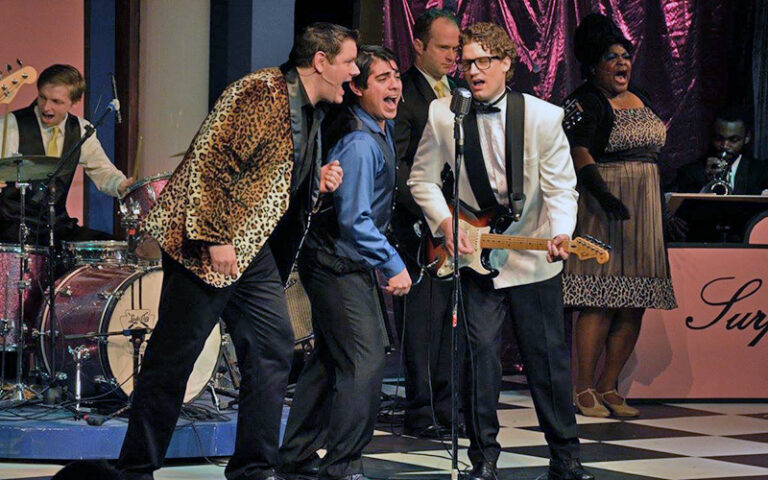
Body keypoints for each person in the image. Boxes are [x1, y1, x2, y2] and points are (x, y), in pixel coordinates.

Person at [116, 23, 358, 480]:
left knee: (273, 347)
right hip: (205, 244)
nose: (355, 71)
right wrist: (215, 236)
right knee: (174, 357)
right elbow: (211, 162)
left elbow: (267, 173)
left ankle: (252, 468)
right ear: (321, 61)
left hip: (252, 249)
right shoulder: (259, 91)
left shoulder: (309, 108)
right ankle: (135, 470)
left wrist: (313, 178)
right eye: (348, 61)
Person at [409, 22, 592, 480]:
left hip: (532, 256)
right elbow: (422, 181)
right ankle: (483, 459)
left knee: (546, 360)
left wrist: (562, 233)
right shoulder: (442, 114)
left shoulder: (543, 117)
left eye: (483, 61)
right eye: (466, 61)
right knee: (479, 359)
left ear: (507, 64)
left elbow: (562, 189)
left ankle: (566, 458)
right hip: (475, 257)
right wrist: (447, 222)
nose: (473, 70)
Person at [279, 45, 410, 480]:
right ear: (356, 87)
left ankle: (297, 454)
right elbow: (355, 220)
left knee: (332, 360)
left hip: (344, 263)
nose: (394, 85)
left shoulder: (378, 130)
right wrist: (392, 263)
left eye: (396, 76)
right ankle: (343, 464)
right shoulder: (358, 142)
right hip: (336, 264)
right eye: (381, 78)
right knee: (365, 361)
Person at [562, 13, 677, 420]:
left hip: (643, 210)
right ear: (593, 65)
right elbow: (578, 152)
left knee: (635, 301)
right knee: (598, 300)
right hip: (602, 207)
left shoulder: (641, 95)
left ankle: (610, 386)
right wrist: (603, 194)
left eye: (625, 55)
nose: (621, 62)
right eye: (611, 57)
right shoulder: (583, 100)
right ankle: (583, 389)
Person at [392, 7, 463, 439]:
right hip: (418, 228)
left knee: (450, 321)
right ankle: (421, 411)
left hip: (461, 223)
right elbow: (398, 165)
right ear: (418, 45)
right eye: (443, 47)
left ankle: (447, 405)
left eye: (457, 48)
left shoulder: (459, 92)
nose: (453, 57)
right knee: (422, 323)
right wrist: (431, 216)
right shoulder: (405, 93)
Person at [0, 64, 132, 245]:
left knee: (115, 246)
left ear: (75, 102)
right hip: (10, 226)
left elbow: (104, 172)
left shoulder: (82, 129)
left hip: (56, 226)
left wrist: (122, 185)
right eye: (42, 97)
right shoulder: (10, 125)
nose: (46, 107)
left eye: (56, 101)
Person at [675, 104, 768, 195]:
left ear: (747, 138)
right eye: (719, 138)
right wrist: (706, 185)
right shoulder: (690, 173)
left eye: (733, 140)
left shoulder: (761, 173)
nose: (725, 145)